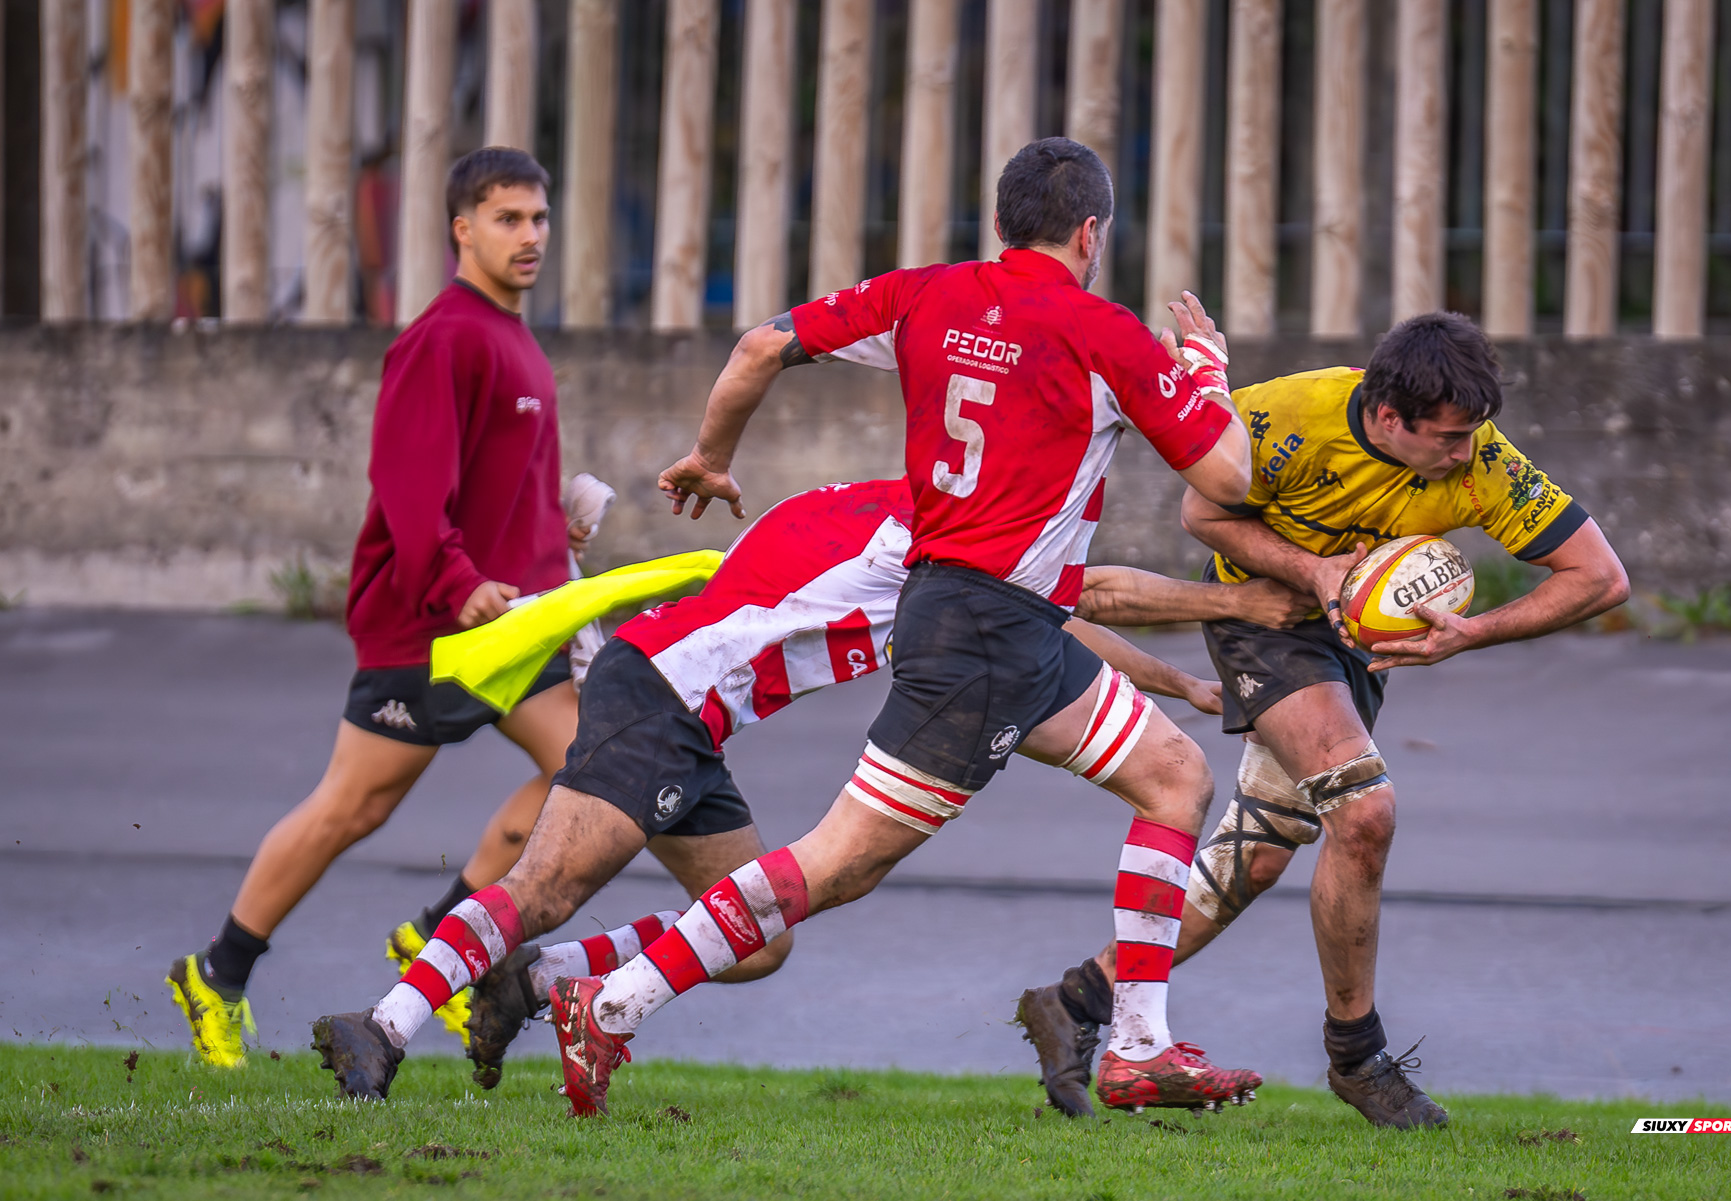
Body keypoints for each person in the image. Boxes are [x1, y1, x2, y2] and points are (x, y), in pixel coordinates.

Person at [517, 135, 1269, 1119]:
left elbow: (760, 346)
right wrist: (1206, 369)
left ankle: (1137, 1043)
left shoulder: (929, 294)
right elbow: (1230, 477)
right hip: (985, 637)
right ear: (1092, 232)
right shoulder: (1106, 331)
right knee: (835, 863)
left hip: (998, 628)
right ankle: (612, 1004)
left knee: (1175, 779)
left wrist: (710, 454)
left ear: (1001, 224)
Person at [308, 476, 1313, 1098]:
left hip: (686, 711)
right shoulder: (943, 534)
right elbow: (1074, 594)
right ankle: (385, 1025)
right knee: (544, 882)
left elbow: (1044, 622)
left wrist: (1174, 679)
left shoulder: (883, 505)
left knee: (758, 939)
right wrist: (1232, 602)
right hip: (661, 696)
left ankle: (534, 977)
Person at [1016, 311, 1632, 1126]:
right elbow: (1202, 517)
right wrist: (1314, 572)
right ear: (1388, 417)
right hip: (1264, 617)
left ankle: (1076, 1001)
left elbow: (1599, 576)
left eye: (1473, 434)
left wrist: (1472, 633)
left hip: (1352, 652)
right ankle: (1358, 1056)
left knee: (1259, 857)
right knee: (1365, 811)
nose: (1463, 453)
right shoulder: (1283, 417)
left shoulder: (1483, 461)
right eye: (1447, 437)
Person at [167, 148, 584, 1067]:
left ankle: (438, 936)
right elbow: (405, 490)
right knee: (351, 806)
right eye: (507, 218)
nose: (529, 236)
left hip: (513, 625)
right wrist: (459, 583)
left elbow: (506, 491)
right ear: (460, 229)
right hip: (429, 621)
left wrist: (559, 565)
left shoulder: (514, 336)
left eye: (539, 219)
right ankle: (217, 973)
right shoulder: (443, 337)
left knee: (591, 769)